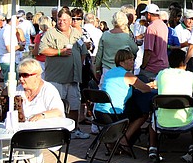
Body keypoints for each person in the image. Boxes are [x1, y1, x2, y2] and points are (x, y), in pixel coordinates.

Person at [39, 9, 89, 139]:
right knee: (57, 106)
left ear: (70, 21)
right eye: (59, 20)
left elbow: (84, 50)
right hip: (57, 78)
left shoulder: (77, 33)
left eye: (64, 20)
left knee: (74, 105)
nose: (61, 22)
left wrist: (78, 63)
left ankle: (74, 130)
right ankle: (57, 132)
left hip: (73, 78)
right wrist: (60, 52)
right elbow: (42, 50)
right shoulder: (50, 33)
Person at [149, 48, 193, 163]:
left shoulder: (161, 74)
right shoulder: (190, 75)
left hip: (161, 123)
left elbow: (155, 85)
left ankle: (153, 147)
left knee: (152, 115)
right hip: (186, 122)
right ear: (184, 63)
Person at [98, 49, 154, 151]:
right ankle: (124, 140)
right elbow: (146, 89)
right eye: (129, 60)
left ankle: (112, 143)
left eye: (133, 59)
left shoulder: (110, 72)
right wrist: (151, 85)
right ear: (121, 62)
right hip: (113, 113)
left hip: (99, 112)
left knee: (132, 108)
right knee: (143, 113)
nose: (132, 62)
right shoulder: (127, 75)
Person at [14, 58, 66, 124]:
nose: (21, 79)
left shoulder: (48, 90)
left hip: (45, 130)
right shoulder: (18, 90)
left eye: (25, 75)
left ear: (37, 75)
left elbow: (58, 111)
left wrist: (42, 115)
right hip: (22, 130)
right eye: (20, 75)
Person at [94, 10, 138, 81]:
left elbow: (99, 54)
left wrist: (97, 69)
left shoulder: (105, 35)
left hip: (107, 69)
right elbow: (135, 49)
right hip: (123, 70)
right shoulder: (126, 37)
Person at [138, 4, 168, 82]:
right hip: (164, 65)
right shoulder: (163, 25)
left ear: (148, 14)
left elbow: (148, 51)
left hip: (152, 67)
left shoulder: (151, 28)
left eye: (145, 14)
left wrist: (143, 66)